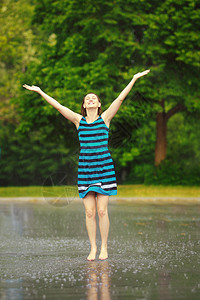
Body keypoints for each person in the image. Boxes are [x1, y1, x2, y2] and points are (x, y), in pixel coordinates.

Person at [23, 69, 150, 261]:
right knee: (90, 212)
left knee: (101, 210)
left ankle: (104, 247)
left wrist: (133, 79)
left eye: (94, 98)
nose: (90, 99)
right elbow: (58, 107)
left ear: (99, 104)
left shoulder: (105, 119)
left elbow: (120, 99)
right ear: (84, 105)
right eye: (87, 98)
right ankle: (93, 248)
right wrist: (40, 92)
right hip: (86, 171)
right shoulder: (78, 121)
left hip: (104, 170)